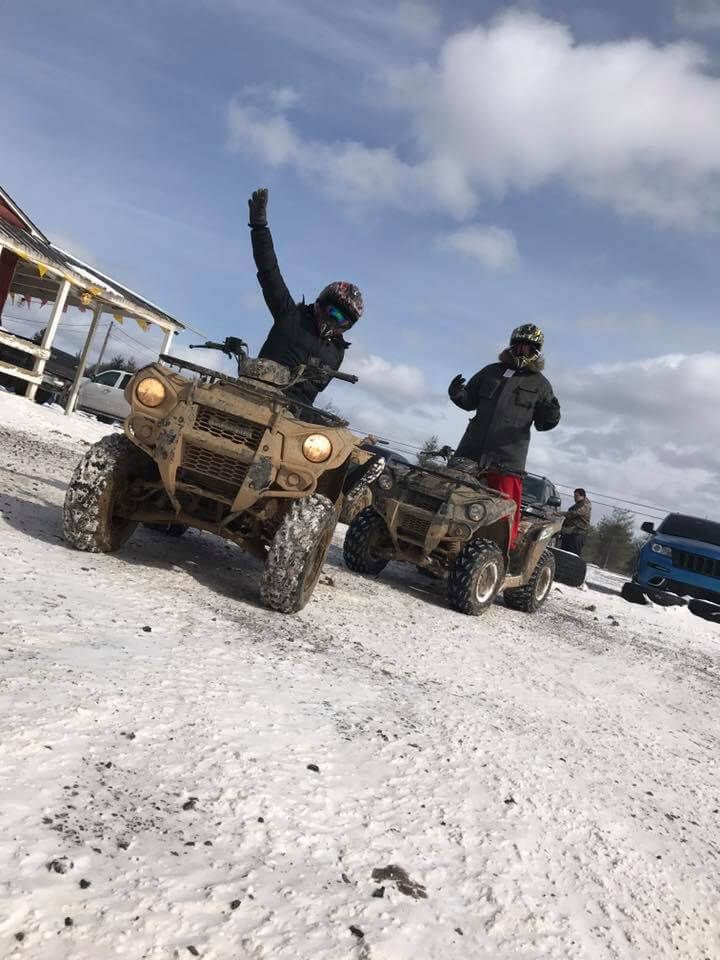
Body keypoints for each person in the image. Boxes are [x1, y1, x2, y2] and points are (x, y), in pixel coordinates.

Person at [247, 187, 363, 407]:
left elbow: (316, 390)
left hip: (294, 416)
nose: (336, 320)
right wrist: (259, 227)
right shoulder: (290, 315)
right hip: (254, 392)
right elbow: (269, 271)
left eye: (343, 320)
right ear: (321, 304)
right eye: (334, 312)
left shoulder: (336, 352)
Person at [448, 324, 561, 549]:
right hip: (472, 450)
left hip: (507, 459)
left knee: (503, 514)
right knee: (450, 498)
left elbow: (543, 423)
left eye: (528, 348)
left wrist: (552, 414)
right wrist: (457, 392)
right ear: (511, 345)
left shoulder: (540, 384)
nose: (522, 351)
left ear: (536, 351)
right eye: (518, 346)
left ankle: (497, 556)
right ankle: (445, 544)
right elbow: (469, 401)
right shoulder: (491, 371)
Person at [561, 488, 592, 556]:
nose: (575, 498)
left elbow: (575, 513)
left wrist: (560, 513)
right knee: (563, 552)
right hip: (569, 532)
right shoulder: (575, 506)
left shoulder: (586, 505)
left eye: (576, 496)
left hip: (579, 533)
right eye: (574, 496)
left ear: (582, 496)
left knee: (573, 554)